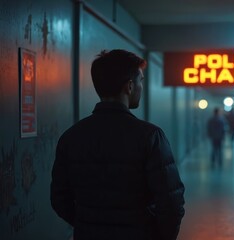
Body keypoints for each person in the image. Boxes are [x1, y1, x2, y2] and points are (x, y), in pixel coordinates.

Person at [50, 49, 185, 240]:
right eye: (141, 81)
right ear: (129, 86)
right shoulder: (150, 137)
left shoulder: (71, 137)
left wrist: (88, 225)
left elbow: (59, 198)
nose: (141, 87)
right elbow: (171, 203)